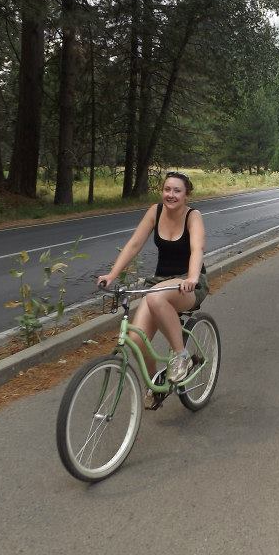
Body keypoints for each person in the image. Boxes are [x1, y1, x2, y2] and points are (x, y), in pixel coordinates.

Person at [97, 171, 209, 406]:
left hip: (188, 283)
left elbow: (197, 249)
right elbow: (134, 243)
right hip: (160, 282)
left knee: (155, 299)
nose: (171, 195)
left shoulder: (193, 216)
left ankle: (181, 356)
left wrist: (191, 277)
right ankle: (155, 383)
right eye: (167, 189)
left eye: (177, 190)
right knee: (136, 340)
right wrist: (112, 274)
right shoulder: (155, 212)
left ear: (186, 194)